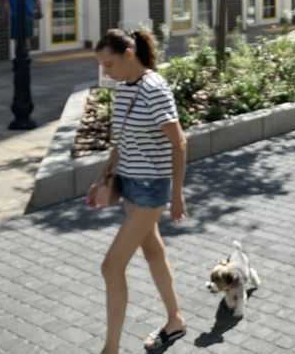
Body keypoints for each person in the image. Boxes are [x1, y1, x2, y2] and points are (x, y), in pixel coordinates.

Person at [95, 29, 188, 354]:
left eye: (109, 64)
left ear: (129, 54)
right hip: (130, 185)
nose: (106, 71)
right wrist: (103, 176)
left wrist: (176, 195)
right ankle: (175, 320)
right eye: (102, 65)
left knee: (111, 266)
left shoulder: (154, 89)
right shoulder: (123, 89)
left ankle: (110, 349)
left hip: (151, 188)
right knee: (153, 252)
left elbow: (179, 143)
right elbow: (121, 142)